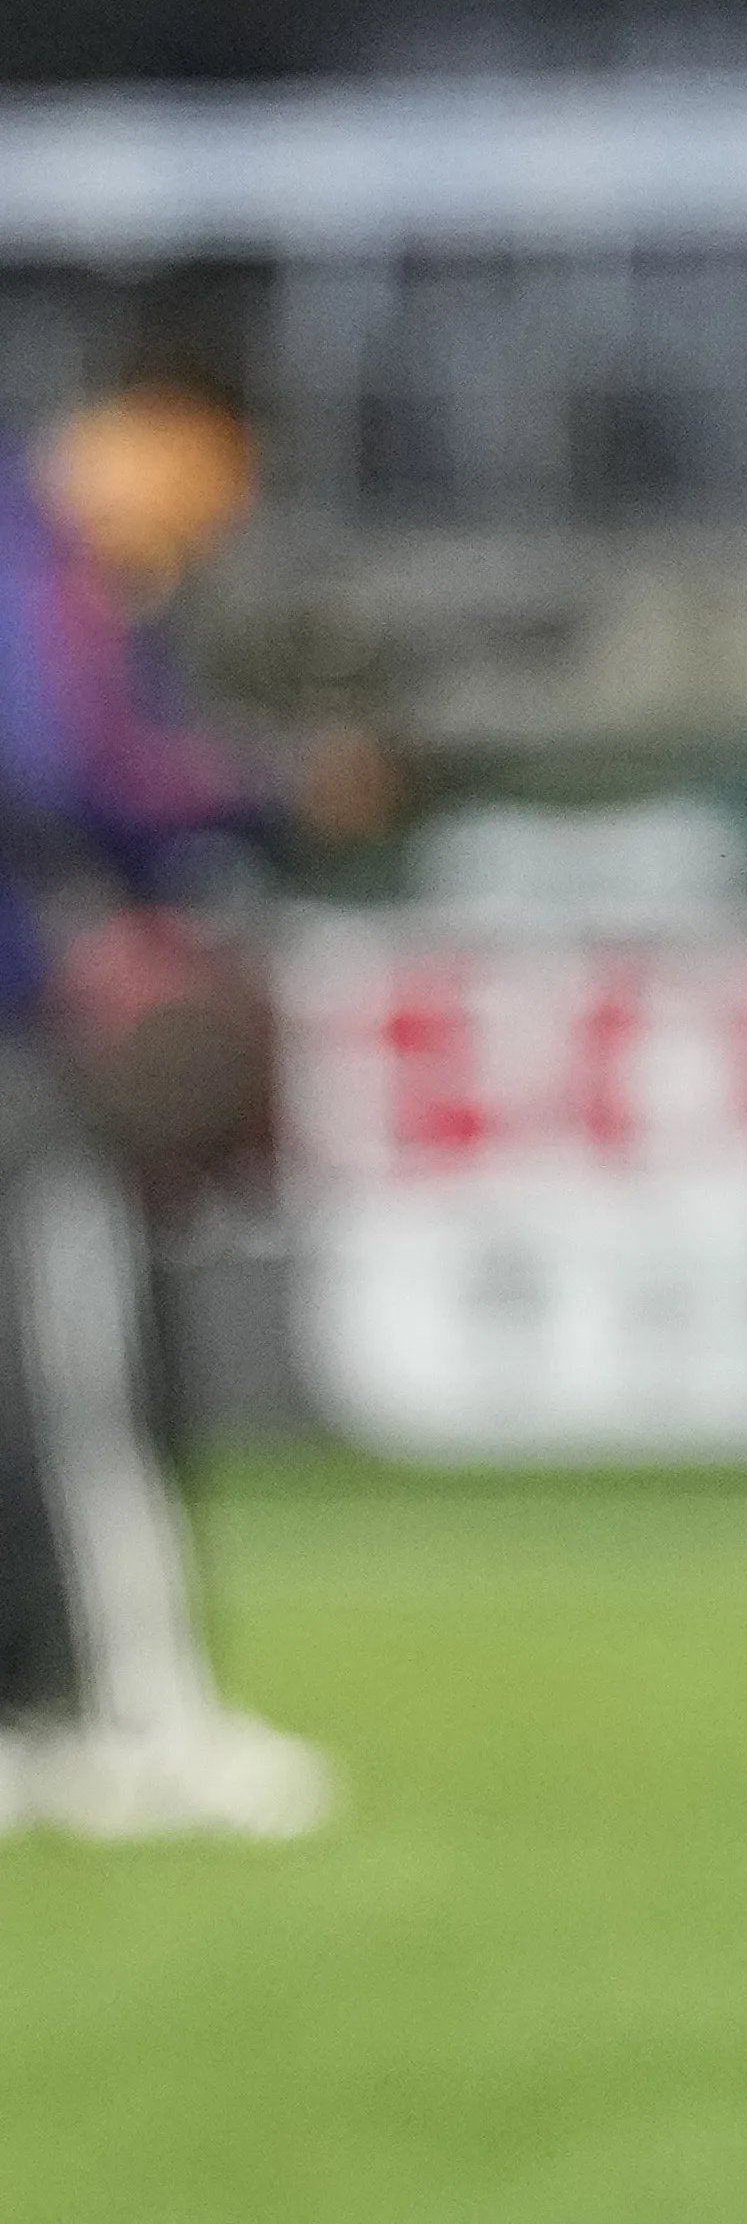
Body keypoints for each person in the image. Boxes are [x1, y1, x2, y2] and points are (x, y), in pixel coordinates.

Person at [0, 364, 356, 1835]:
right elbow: (65, 769)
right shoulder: (40, 566)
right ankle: (134, 1714)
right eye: (213, 480)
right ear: (150, 428)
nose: (213, 523)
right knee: (79, 1369)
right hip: (19, 1031)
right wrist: (266, 794)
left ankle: (32, 1723)